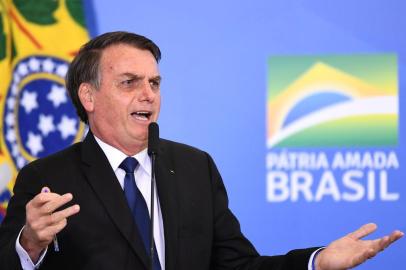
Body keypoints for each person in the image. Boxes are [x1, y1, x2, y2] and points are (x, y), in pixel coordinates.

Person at [0, 31, 402, 270]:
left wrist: (316, 262)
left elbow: (239, 266)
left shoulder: (193, 166)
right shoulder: (46, 177)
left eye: (154, 83)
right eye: (129, 82)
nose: (148, 95)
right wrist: (30, 244)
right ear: (88, 95)